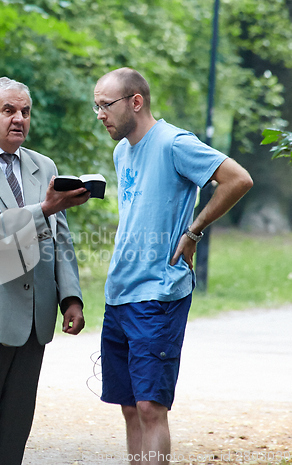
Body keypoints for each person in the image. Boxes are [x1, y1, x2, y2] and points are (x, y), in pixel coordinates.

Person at [93, 68, 253, 465]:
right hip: (120, 292)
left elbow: (238, 179)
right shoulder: (122, 150)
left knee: (150, 406)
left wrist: (195, 231)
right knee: (129, 406)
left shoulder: (174, 143)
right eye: (95, 106)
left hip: (159, 292)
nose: (100, 114)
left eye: (106, 105)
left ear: (136, 101)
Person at [0, 77, 90, 465]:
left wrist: (70, 297)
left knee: (16, 428)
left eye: (25, 111)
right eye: (9, 110)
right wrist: (44, 209)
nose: (19, 119)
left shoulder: (44, 165)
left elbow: (61, 238)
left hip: (36, 315)